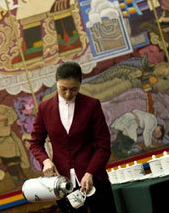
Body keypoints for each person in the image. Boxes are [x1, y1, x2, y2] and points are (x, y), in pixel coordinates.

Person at [30, 61, 116, 212]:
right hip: (62, 185)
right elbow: (35, 143)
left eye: (73, 89)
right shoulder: (44, 109)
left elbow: (103, 146)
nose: (68, 94)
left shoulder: (92, 105)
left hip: (95, 179)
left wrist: (90, 173)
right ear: (56, 83)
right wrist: (45, 161)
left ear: (80, 85)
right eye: (63, 89)